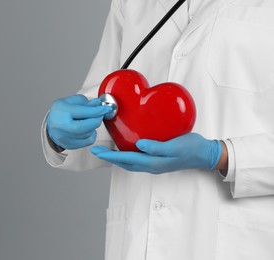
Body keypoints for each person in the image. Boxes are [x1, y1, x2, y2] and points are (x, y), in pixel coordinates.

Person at [41, 0, 274, 259]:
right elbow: (109, 107)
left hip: (238, 243)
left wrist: (219, 154)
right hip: (138, 237)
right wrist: (64, 132)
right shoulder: (132, 4)